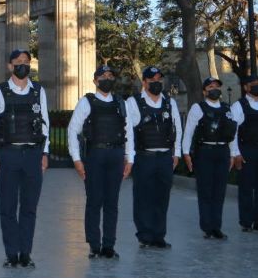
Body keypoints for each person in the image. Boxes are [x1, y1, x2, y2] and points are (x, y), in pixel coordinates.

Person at [0, 49, 49, 269]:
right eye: (18, 62)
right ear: (10, 66)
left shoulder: (39, 91)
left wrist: (45, 153)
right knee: (8, 207)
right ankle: (11, 254)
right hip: (8, 155)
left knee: (30, 207)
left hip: (32, 155)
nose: (23, 65)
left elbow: (45, 123)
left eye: (26, 62)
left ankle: (26, 253)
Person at [67, 65, 134, 259]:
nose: (107, 78)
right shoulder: (87, 102)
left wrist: (130, 158)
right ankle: (94, 245)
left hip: (116, 155)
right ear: (95, 80)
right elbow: (73, 130)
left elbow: (128, 131)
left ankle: (109, 246)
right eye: (103, 76)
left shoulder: (122, 103)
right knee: (94, 201)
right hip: (95, 155)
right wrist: (77, 160)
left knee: (112, 202)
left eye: (110, 75)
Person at [125, 66, 182, 249]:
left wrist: (177, 153)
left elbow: (177, 128)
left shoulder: (169, 103)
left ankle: (159, 236)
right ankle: (145, 235)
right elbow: (128, 132)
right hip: (144, 157)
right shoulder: (133, 102)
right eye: (152, 80)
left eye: (159, 80)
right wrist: (130, 158)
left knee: (162, 197)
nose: (157, 83)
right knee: (143, 198)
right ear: (144, 82)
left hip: (165, 157)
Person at [182, 77, 238, 240]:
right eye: (211, 87)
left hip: (222, 151)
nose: (215, 89)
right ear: (205, 91)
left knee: (219, 191)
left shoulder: (227, 108)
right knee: (206, 190)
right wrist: (186, 153)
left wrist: (233, 153)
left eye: (217, 87)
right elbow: (189, 131)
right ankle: (207, 227)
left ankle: (216, 227)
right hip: (205, 151)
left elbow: (233, 133)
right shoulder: (198, 108)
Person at [230, 75, 258, 233]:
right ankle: (246, 222)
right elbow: (233, 132)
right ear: (246, 87)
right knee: (246, 187)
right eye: (253, 84)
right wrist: (236, 153)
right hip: (247, 150)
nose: (257, 87)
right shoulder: (239, 105)